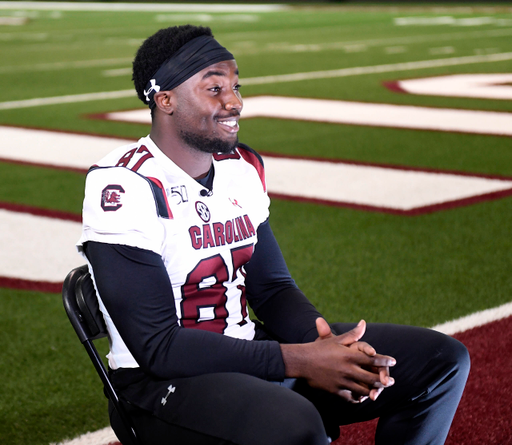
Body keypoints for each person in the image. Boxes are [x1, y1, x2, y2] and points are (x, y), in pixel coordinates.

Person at [78, 25, 470, 445]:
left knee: (441, 361)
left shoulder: (240, 168)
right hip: (157, 385)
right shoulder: (123, 185)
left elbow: (273, 288)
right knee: (293, 425)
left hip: (251, 350)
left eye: (235, 86)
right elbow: (157, 346)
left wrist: (325, 344)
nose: (234, 102)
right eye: (214, 88)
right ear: (165, 99)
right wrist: (300, 360)